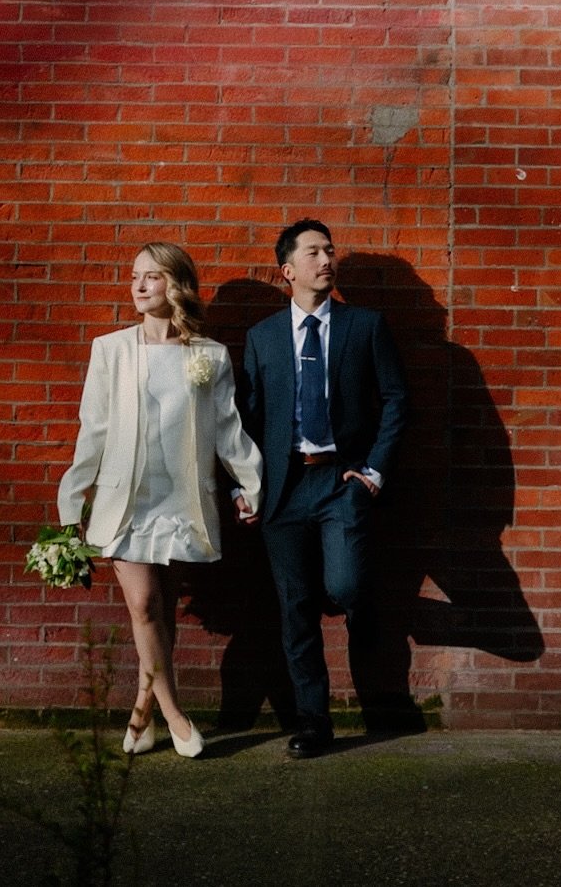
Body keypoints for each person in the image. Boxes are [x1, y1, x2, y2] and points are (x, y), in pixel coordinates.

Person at [57, 240, 263, 759]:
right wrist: (71, 502)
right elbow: (93, 431)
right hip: (126, 503)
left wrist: (251, 485)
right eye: (134, 276)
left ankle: (141, 713)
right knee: (145, 605)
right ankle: (176, 717)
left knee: (163, 613)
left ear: (177, 284)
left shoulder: (209, 356)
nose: (139, 285)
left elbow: (228, 431)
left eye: (151, 276)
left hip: (182, 503)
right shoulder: (110, 349)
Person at [239, 218, 408, 757]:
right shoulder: (262, 337)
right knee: (296, 609)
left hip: (342, 481)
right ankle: (314, 723)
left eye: (330, 250)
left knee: (347, 587)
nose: (326, 259)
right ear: (288, 270)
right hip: (284, 487)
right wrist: (244, 487)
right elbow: (246, 420)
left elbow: (396, 400)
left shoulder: (365, 326)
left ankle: (362, 621)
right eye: (313, 252)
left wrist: (373, 473)